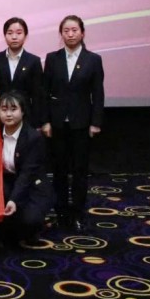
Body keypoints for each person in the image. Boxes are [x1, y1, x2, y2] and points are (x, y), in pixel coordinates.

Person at [41, 15, 104, 232]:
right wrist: (45, 121)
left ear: (82, 33)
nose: (70, 34)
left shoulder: (93, 59)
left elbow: (98, 93)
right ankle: (60, 212)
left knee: (79, 171)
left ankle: (77, 212)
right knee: (59, 170)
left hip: (81, 124)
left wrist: (96, 122)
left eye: (74, 30)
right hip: (57, 124)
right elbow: (44, 92)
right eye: (66, 31)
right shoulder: (52, 58)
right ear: (61, 34)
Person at [0, 91, 53, 247]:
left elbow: (27, 174)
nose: (8, 114)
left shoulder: (33, 137)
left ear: (23, 112)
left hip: (32, 185)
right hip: (7, 181)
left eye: (13, 109)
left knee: (30, 221)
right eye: (4, 109)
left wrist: (13, 200)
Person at [0, 17, 44, 129]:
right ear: (5, 36)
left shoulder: (33, 61)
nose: (14, 37)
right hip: (1, 116)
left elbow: (37, 96)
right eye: (10, 33)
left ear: (25, 36)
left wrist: (38, 124)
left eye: (19, 33)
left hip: (26, 116)